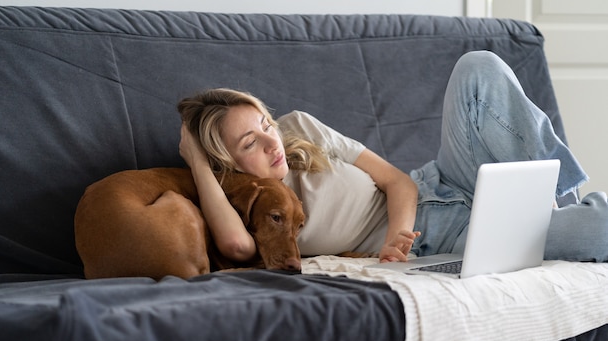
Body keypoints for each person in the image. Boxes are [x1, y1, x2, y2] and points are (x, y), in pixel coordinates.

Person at [178, 51, 608, 265]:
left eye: (265, 124)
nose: (272, 143)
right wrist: (197, 161)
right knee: (601, 229)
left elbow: (396, 181)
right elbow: (236, 246)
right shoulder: (245, 205)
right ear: (227, 163)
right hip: (450, 238)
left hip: (442, 180)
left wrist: (394, 238)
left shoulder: (298, 129)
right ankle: (557, 217)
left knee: (478, 67)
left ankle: (552, 197)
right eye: (250, 143)